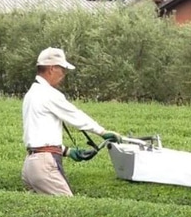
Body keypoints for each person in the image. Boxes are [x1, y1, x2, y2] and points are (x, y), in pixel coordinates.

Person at [22, 47, 121, 196]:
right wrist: (102, 132)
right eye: (62, 70)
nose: (63, 74)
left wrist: (68, 151)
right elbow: (75, 116)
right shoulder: (48, 94)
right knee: (69, 211)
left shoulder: (31, 94)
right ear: (51, 69)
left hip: (30, 165)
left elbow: (39, 134)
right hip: (44, 164)